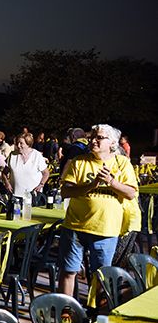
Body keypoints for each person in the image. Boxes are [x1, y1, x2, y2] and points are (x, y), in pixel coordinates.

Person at [57, 124, 137, 297]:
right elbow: (66, 191)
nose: (93, 140)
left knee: (101, 275)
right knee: (68, 271)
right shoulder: (80, 161)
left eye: (99, 138)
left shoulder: (121, 163)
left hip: (106, 229)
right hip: (75, 226)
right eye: (93, 136)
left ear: (112, 143)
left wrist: (111, 182)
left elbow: (131, 193)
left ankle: (96, 316)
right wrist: (91, 185)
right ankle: (66, 316)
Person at [4, 132, 49, 198]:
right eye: (17, 143)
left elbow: (46, 173)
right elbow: (4, 173)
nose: (18, 146)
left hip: (33, 196)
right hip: (16, 195)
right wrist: (7, 183)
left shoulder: (37, 156)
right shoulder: (12, 155)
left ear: (28, 144)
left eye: (21, 143)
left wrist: (41, 185)